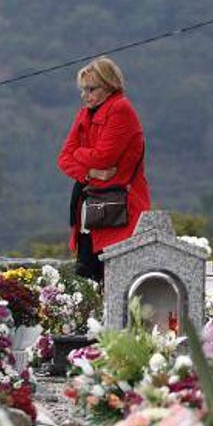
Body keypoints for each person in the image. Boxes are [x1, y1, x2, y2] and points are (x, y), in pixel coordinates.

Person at [57, 56, 151, 282]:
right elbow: (63, 159)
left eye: (91, 89)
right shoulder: (85, 113)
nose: (85, 95)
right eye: (83, 90)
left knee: (113, 277)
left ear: (109, 86)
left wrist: (79, 154)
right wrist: (90, 173)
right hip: (91, 207)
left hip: (118, 209)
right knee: (89, 276)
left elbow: (103, 156)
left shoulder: (120, 109)